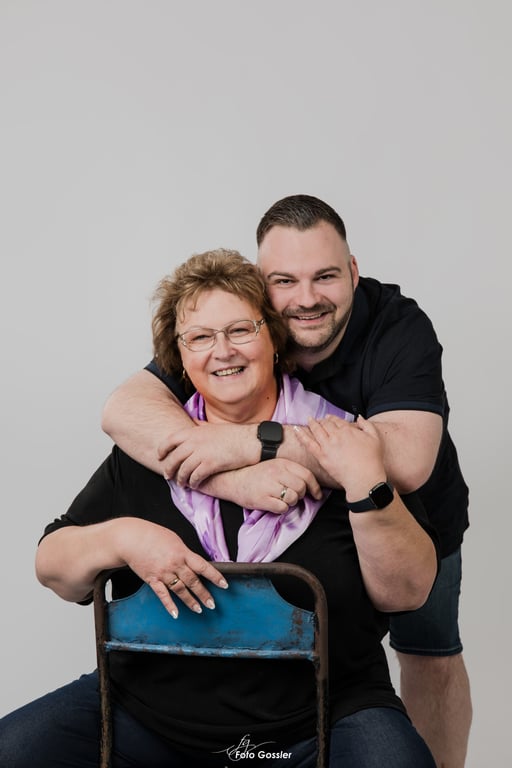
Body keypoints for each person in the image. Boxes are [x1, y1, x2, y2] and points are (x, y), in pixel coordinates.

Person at [0, 250, 438, 768]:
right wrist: (126, 537)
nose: (222, 351)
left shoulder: (340, 444)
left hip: (320, 721)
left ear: (275, 339)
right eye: (200, 338)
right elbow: (53, 568)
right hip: (146, 718)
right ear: (178, 356)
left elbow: (407, 591)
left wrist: (365, 482)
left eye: (240, 330)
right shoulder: (149, 451)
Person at [101, 196, 472, 768]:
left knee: (430, 653)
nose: (306, 298)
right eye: (284, 281)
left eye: (325, 276)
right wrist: (232, 482)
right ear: (261, 282)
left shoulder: (399, 327)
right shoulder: (240, 326)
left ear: (353, 271)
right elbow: (124, 410)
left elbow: (405, 459)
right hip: (300, 528)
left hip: (410, 513)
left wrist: (248, 441)